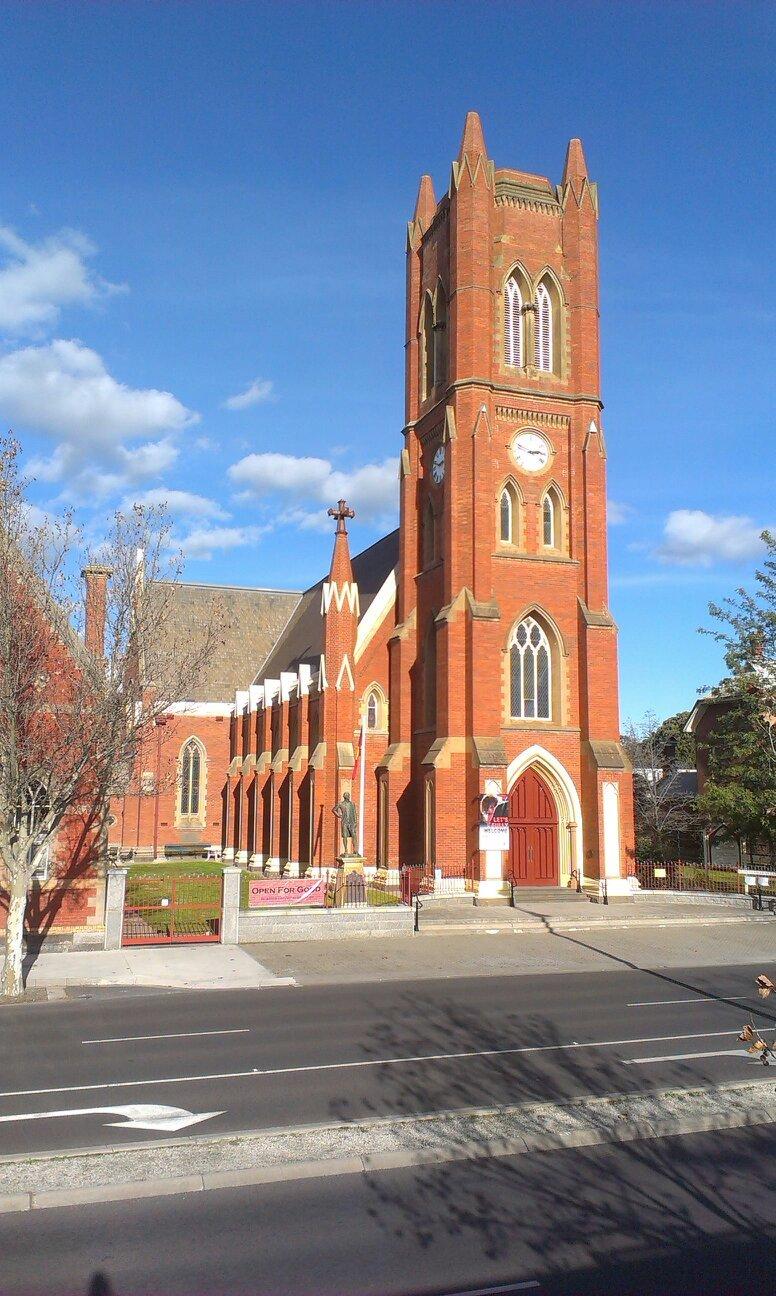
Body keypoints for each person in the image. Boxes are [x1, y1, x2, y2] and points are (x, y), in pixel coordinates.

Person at [333, 791, 358, 855]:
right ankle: (346, 850)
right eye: (346, 795)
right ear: (344, 796)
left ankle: (355, 850)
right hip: (344, 822)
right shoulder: (341, 804)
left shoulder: (352, 804)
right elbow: (334, 810)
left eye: (348, 795)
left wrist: (355, 822)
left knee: (354, 835)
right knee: (345, 836)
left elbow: (355, 813)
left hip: (351, 822)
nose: (348, 796)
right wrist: (339, 815)